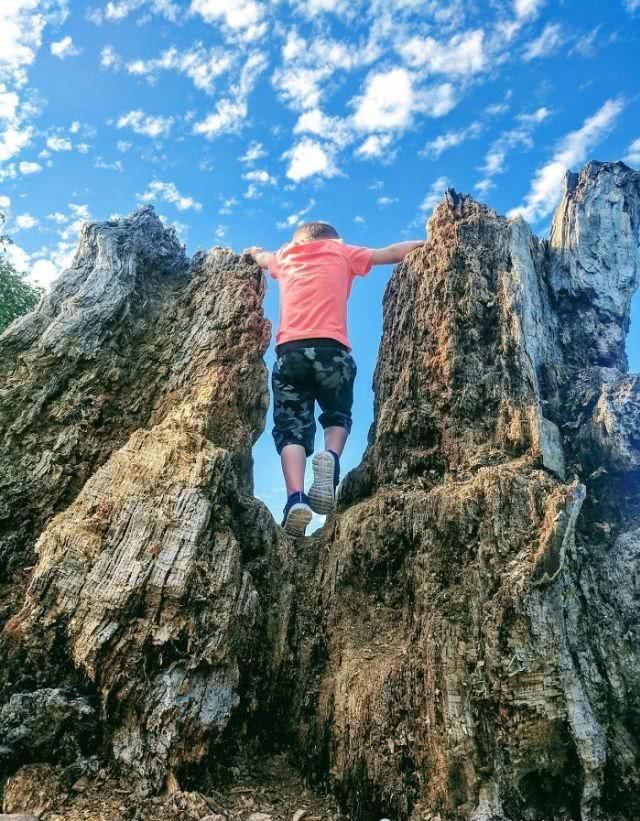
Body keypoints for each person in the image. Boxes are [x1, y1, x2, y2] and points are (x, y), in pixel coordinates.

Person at [247, 222, 424, 536]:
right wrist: (429, 241)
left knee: (291, 429)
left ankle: (295, 499)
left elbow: (260, 257)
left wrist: (255, 252)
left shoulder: (286, 256)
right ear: (334, 239)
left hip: (291, 352)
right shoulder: (343, 252)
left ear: (297, 241)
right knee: (337, 415)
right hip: (334, 350)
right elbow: (391, 253)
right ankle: (330, 455)